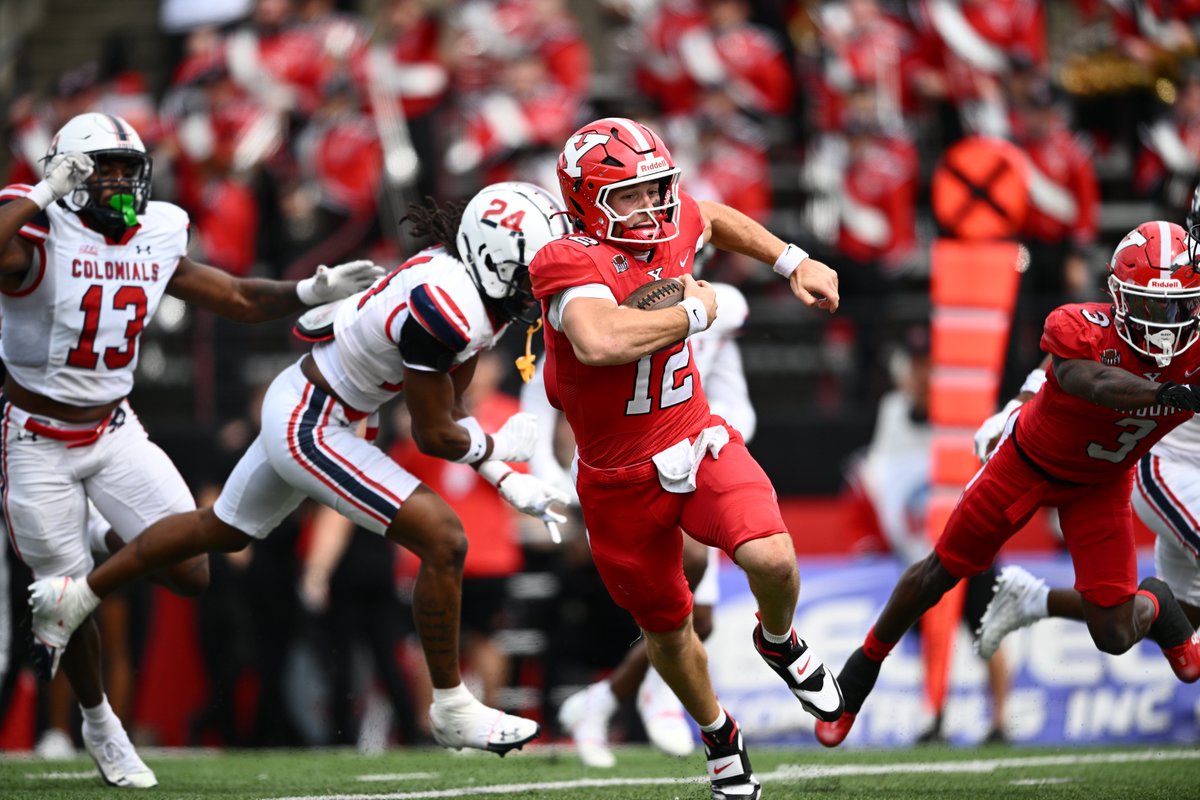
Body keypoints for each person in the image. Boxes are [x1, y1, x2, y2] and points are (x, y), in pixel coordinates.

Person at [27, 181, 574, 759]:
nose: (540, 280)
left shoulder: (465, 287)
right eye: (534, 265)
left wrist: (507, 477)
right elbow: (433, 433)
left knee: (221, 530)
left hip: (314, 400)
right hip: (316, 422)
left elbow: (450, 409)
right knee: (443, 537)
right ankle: (451, 707)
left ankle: (78, 594)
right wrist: (496, 450)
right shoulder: (449, 306)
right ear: (493, 255)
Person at [0, 111, 382, 787]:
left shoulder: (157, 230)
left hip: (114, 428)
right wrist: (39, 193)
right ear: (67, 172)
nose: (119, 181)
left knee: (193, 570)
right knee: (66, 600)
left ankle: (101, 537)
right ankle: (99, 725)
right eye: (103, 168)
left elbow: (232, 295)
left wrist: (306, 292)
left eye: (128, 168)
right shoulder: (33, 225)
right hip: (36, 439)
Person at [528, 116, 843, 800]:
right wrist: (694, 314)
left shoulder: (674, 222)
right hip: (616, 480)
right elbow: (599, 341)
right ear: (584, 199)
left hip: (696, 437)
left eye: (657, 190)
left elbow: (714, 217)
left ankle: (780, 640)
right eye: (631, 196)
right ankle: (720, 738)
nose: (653, 208)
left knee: (772, 558)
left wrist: (794, 261)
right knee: (668, 631)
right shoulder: (567, 258)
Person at [814, 220, 1200, 750]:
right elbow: (1094, 382)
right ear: (1118, 297)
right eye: (1153, 308)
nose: (1167, 325)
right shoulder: (1082, 328)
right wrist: (1174, 392)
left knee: (1112, 634)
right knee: (939, 574)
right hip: (1027, 466)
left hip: (1103, 483)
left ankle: (1156, 602)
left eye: (1179, 307)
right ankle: (859, 674)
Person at [547, 281, 755, 768]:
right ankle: (642, 696)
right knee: (687, 597)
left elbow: (728, 381)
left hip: (704, 453)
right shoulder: (598, 302)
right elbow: (566, 405)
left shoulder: (718, 302)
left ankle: (608, 700)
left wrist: (721, 434)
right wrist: (564, 491)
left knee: (698, 616)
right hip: (640, 464)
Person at [848, 328, 1010, 744]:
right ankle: (934, 713)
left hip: (969, 537)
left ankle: (1000, 720)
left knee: (987, 629)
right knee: (932, 632)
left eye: (929, 364)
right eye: (917, 364)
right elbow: (884, 477)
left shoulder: (964, 409)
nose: (923, 373)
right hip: (923, 547)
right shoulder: (893, 412)